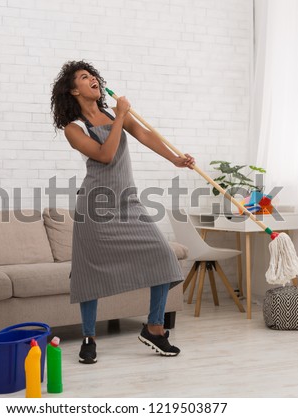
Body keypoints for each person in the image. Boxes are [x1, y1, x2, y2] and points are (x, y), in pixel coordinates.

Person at [50, 60, 195, 364]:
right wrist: (120, 117)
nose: (92, 80)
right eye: (84, 77)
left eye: (93, 76)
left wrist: (174, 159)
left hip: (128, 202)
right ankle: (88, 338)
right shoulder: (73, 128)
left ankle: (155, 329)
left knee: (163, 257)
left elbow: (144, 135)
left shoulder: (112, 115)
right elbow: (105, 155)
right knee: (89, 274)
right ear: (73, 90)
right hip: (95, 208)